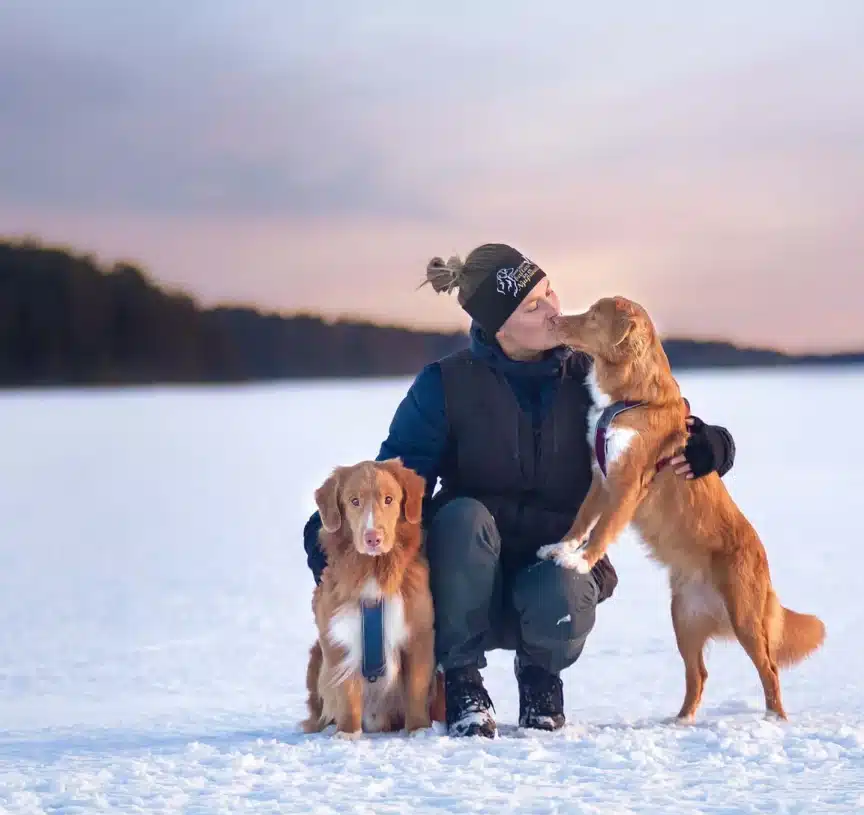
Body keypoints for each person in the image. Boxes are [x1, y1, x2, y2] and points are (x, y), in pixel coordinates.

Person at [303, 243, 737, 738]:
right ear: (499, 327)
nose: (554, 310)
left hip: (550, 573)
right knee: (462, 519)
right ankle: (463, 680)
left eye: (549, 290)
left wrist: (713, 445)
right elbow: (396, 479)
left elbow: (662, 418)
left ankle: (540, 680)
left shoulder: (589, 373)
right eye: (533, 305)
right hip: (464, 577)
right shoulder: (445, 385)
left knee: (566, 579)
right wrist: (331, 538)